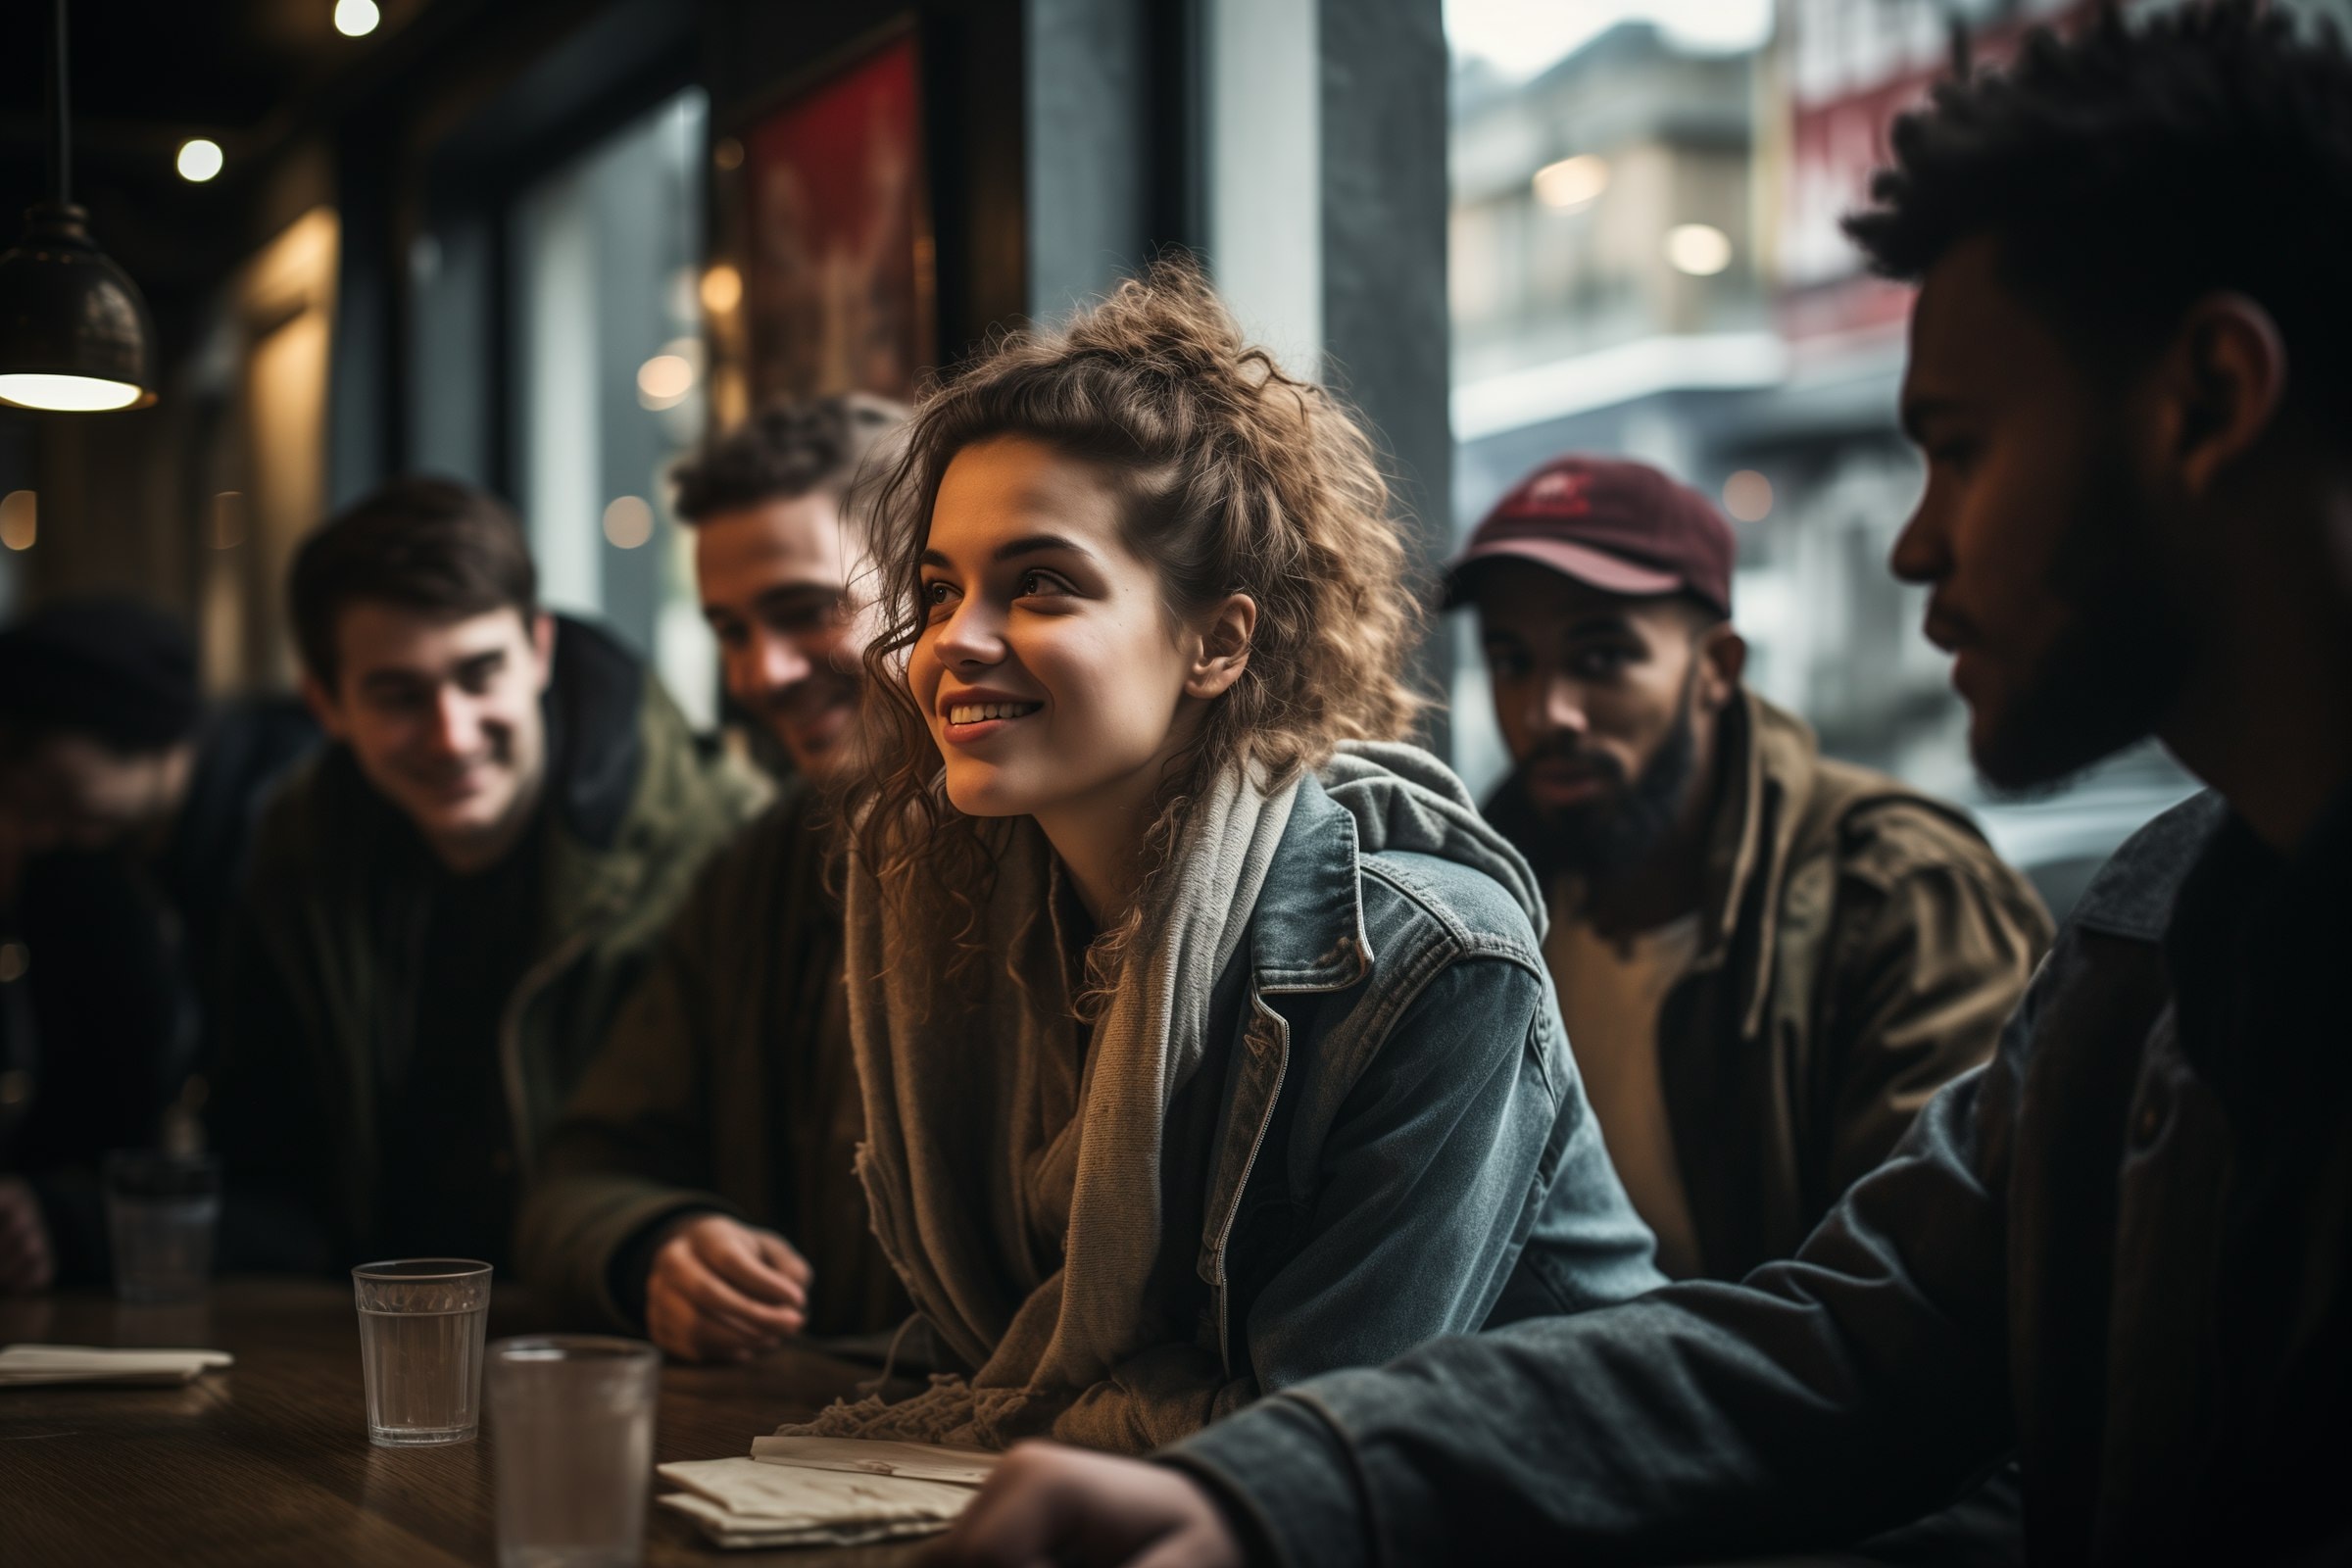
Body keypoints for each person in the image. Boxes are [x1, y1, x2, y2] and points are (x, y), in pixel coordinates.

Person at [922, 5, 2352, 1562]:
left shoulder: (1475, 928)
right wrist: (1270, 1490)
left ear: (2210, 398)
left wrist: (1280, 1478)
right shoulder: (2144, 953)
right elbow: (1848, 1347)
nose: (1912, 542)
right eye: (1518, 657)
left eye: (1959, 446)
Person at [789, 262, 1661, 1456]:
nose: (956, 643)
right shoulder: (968, 912)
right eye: (938, 591)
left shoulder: (1437, 960)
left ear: (1215, 641)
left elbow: (1314, 1439)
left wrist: (1028, 1425)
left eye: (1042, 584)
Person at [1453, 456, 2049, 1282]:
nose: (1547, 711)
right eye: (1511, 661)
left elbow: (1920, 1304)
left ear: (1717, 669)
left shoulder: (1903, 901)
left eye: (1601, 658)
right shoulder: (1481, 907)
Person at [208, 478, 766, 1273]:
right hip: (373, 1346)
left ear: (538, 650)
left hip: (626, 1344)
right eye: (399, 695)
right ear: (326, 704)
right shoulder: (300, 846)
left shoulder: (714, 841)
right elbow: (267, 1162)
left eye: (479, 674)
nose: (451, 734)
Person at [517, 395, 913, 1356]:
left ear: (927, 587)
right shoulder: (757, 872)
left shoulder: (1084, 853)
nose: (761, 671)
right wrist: (654, 1245)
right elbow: (578, 1173)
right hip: (812, 1438)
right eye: (731, 630)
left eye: (805, 611)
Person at [0, 598, 315, 1292]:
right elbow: (86, 1103)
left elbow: (299, 1174)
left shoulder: (286, 838)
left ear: (147, 733)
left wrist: (82, 1224)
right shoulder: (90, 857)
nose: (36, 823)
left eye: (50, 784)